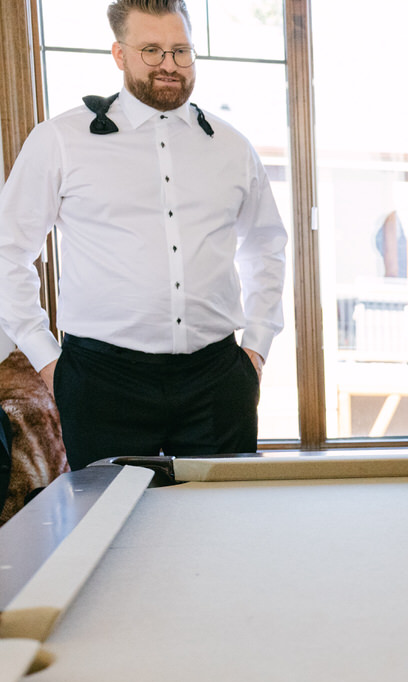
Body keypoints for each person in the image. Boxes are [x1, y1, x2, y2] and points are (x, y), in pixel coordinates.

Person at [0, 0, 286, 470]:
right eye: (152, 50)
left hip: (216, 377)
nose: (169, 65)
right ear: (119, 54)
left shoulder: (233, 147)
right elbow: (9, 252)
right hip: (101, 379)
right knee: (108, 531)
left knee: (220, 528)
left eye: (181, 50)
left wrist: (254, 349)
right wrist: (47, 360)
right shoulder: (61, 140)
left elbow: (266, 247)